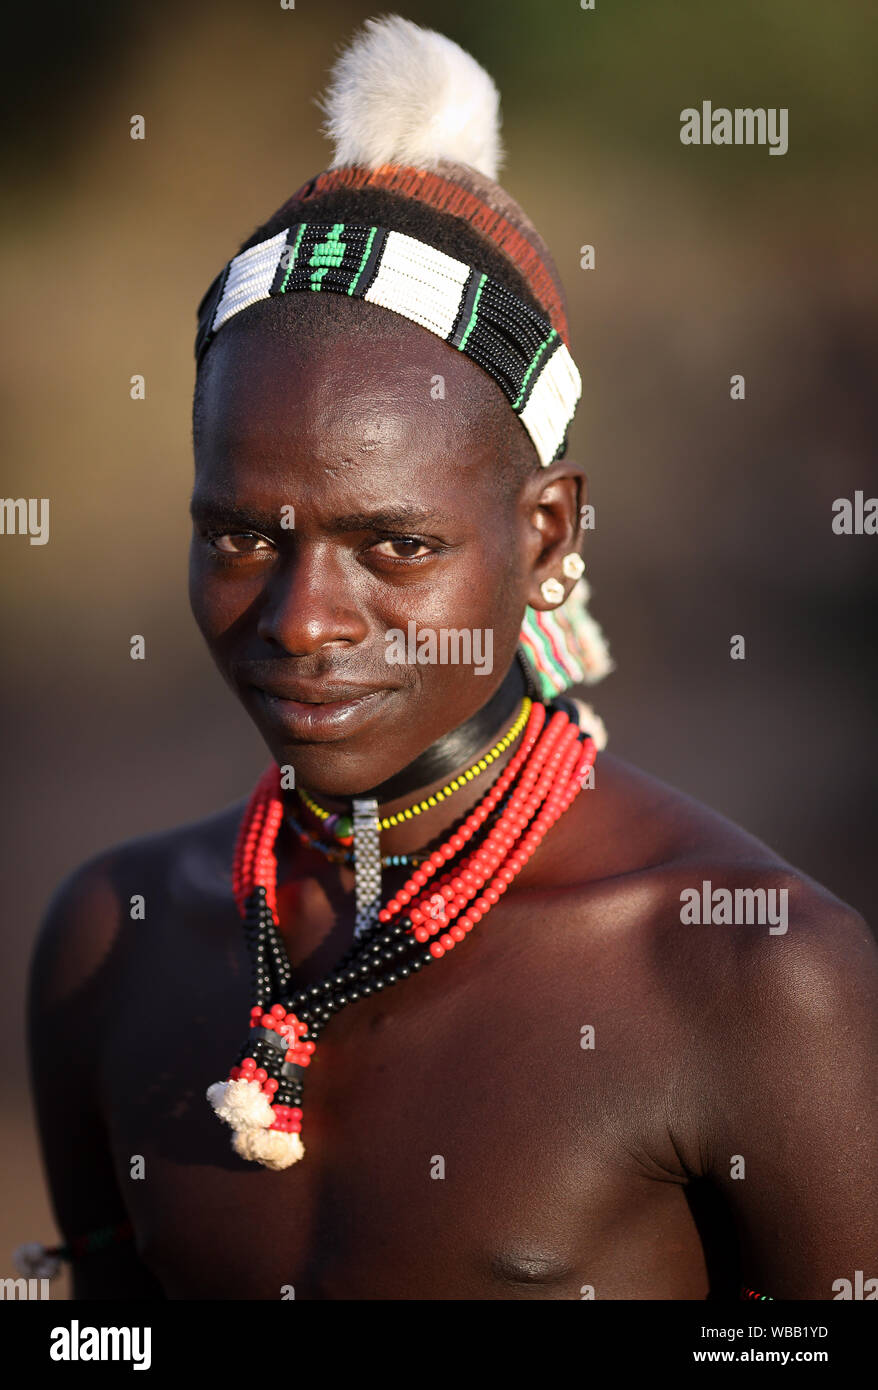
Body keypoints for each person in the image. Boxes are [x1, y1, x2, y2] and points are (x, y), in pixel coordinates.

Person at [23, 15, 877, 1301]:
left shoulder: (750, 978)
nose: (304, 619)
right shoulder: (110, 943)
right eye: (244, 533)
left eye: (396, 543)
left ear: (544, 537)